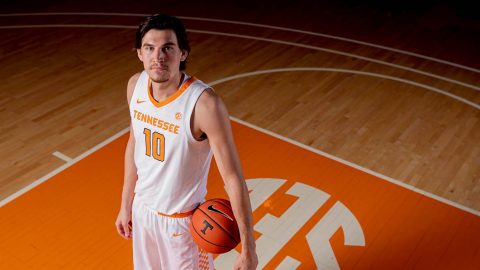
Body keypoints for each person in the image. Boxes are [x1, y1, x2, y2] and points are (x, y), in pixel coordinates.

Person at [114, 13, 258, 270]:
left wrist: (249, 249)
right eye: (150, 48)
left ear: (182, 53)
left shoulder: (204, 105)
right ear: (139, 53)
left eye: (167, 48)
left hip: (182, 226)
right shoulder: (135, 86)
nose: (158, 57)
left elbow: (233, 178)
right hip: (143, 213)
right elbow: (134, 143)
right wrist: (126, 204)